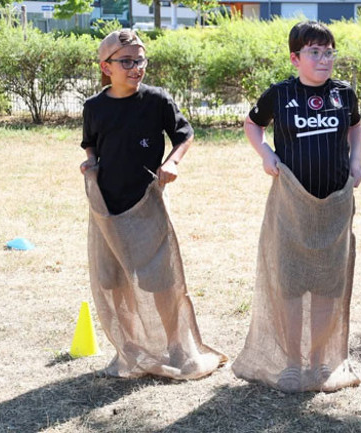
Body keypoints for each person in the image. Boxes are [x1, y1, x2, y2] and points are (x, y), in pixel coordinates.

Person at [79, 29, 226, 379]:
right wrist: (90, 161)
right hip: (108, 209)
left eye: (140, 60)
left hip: (147, 204)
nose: (136, 68)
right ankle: (132, 350)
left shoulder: (157, 100)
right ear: (106, 66)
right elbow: (90, 143)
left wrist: (173, 161)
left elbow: (184, 134)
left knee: (160, 280)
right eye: (126, 61)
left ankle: (178, 348)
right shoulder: (94, 107)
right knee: (114, 280)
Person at [231, 20, 361, 393]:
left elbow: (355, 128)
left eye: (328, 52)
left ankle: (320, 362)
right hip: (291, 206)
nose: (324, 59)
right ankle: (292, 363)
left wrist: (356, 161)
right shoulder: (279, 94)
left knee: (326, 285)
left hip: (335, 205)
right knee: (290, 285)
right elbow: (252, 124)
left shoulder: (344, 95)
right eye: (314, 52)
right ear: (295, 58)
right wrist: (266, 154)